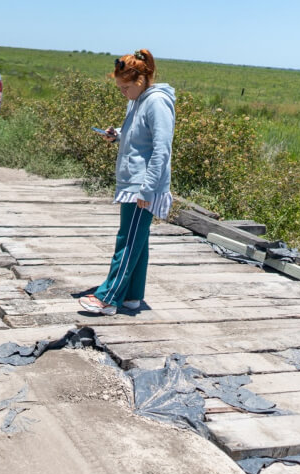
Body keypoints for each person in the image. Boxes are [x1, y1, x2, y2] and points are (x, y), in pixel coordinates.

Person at [79, 49, 176, 315]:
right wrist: (118, 135)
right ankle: (132, 296)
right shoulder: (138, 100)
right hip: (134, 183)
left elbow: (161, 149)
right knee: (138, 240)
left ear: (140, 81)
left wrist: (147, 189)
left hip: (143, 186)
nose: (123, 93)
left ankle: (108, 298)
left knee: (128, 241)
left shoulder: (157, 102)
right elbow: (138, 135)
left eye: (125, 88)